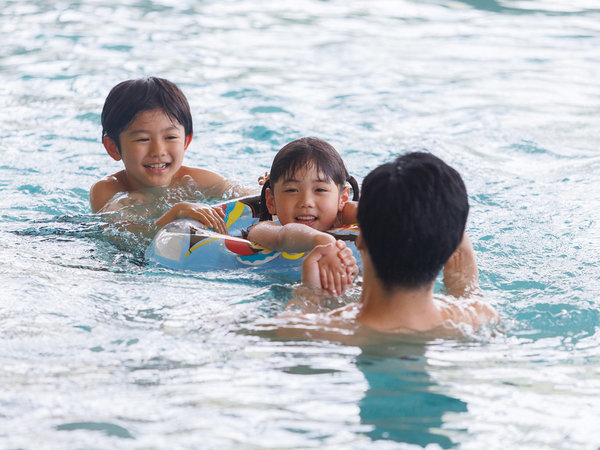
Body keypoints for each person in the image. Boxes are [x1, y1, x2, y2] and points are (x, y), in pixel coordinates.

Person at [300, 151, 498, 334]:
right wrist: (464, 285)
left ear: (360, 240)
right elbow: (467, 293)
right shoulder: (479, 317)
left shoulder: (308, 330)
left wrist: (310, 297)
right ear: (449, 251)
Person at [90, 77, 253, 233]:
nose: (158, 151)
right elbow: (120, 235)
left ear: (186, 141)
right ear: (113, 148)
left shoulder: (195, 181)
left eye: (170, 137)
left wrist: (270, 185)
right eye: (143, 139)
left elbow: (248, 196)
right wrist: (174, 214)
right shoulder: (108, 190)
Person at [247, 137, 360, 295]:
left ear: (342, 198)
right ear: (271, 200)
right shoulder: (263, 229)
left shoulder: (344, 215)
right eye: (291, 190)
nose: (306, 202)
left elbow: (383, 214)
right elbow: (284, 235)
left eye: (320, 190)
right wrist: (324, 242)